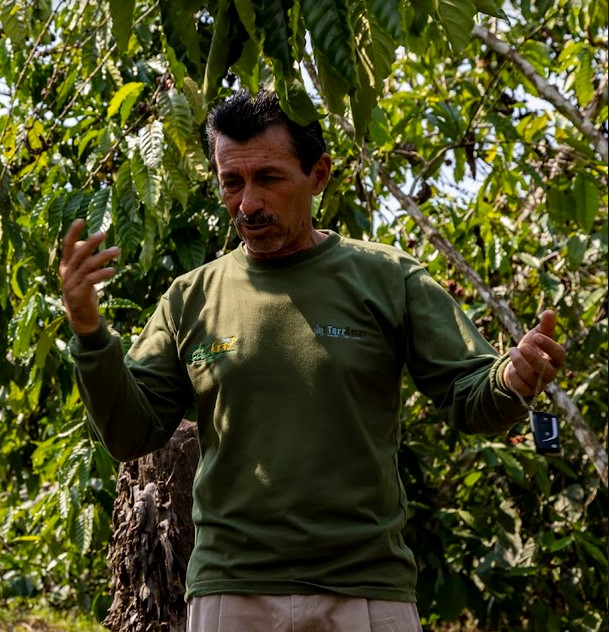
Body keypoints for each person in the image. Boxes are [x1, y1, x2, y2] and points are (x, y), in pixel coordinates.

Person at [58, 90, 565, 631]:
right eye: (232, 182)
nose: (247, 204)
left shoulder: (388, 279)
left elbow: (470, 400)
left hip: (365, 590)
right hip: (234, 591)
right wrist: (90, 332)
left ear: (318, 174)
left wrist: (512, 377)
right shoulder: (192, 297)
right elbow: (132, 433)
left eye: (268, 179)